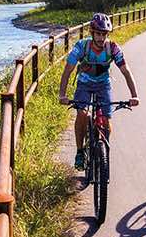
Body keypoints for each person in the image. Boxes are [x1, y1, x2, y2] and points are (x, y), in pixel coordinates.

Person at [58, 12, 140, 169]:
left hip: (104, 85)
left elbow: (126, 71)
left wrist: (134, 95)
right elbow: (68, 70)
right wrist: (62, 94)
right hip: (84, 84)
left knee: (106, 119)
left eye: (104, 34)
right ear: (92, 33)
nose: (101, 38)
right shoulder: (81, 47)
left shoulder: (113, 48)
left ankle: (104, 149)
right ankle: (80, 152)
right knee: (82, 113)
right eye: (98, 34)